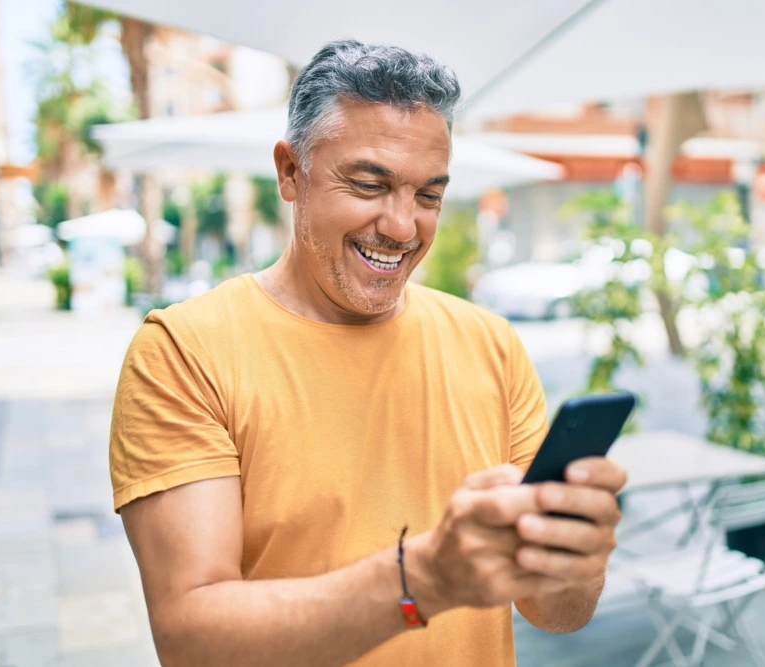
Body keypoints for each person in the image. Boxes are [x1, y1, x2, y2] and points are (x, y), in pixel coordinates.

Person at [110, 39, 626, 667]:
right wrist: (423, 579)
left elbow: (558, 614)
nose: (403, 227)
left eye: (429, 196)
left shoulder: (491, 344)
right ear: (290, 172)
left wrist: (575, 554)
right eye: (368, 184)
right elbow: (191, 641)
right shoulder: (183, 353)